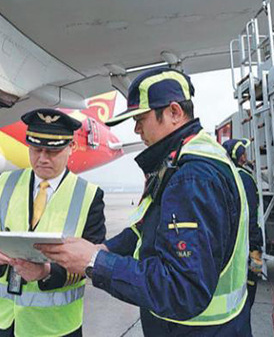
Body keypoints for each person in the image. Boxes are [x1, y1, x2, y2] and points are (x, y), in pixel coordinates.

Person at [38, 68, 251, 336]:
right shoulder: (181, 161)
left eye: (141, 118)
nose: (136, 129)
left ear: (174, 112)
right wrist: (104, 248)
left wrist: (95, 261)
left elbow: (181, 290)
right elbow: (144, 230)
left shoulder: (191, 178)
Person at [0, 108, 106, 337]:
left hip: (53, 326)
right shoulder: (5, 182)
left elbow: (93, 261)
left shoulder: (89, 196)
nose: (42, 158)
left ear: (71, 147)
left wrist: (46, 272)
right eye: (36, 149)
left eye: (52, 151)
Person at [222, 139, 264, 310]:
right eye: (243, 153)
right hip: (246, 244)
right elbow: (250, 216)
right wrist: (255, 247)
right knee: (249, 288)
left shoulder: (227, 175)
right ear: (239, 157)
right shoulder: (244, 178)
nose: (246, 156)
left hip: (232, 243)